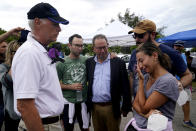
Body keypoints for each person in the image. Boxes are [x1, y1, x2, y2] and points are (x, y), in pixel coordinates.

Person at [12, 2, 69, 131]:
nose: (59, 29)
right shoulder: (30, 53)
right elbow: (24, 105)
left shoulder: (38, 51)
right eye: (55, 24)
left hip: (48, 123)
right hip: (41, 125)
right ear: (37, 22)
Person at [127, 42, 179, 130]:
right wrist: (146, 115)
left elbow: (143, 108)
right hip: (137, 126)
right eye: (138, 62)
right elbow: (135, 104)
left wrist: (140, 82)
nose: (140, 66)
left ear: (155, 56)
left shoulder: (167, 81)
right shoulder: (147, 77)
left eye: (141, 60)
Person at [86, 34, 132, 131]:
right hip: (95, 108)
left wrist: (126, 106)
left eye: (104, 47)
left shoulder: (118, 62)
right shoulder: (89, 62)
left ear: (108, 45)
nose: (102, 51)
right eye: (99, 48)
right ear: (93, 48)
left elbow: (125, 86)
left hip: (111, 107)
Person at [56, 34, 90, 131]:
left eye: (81, 45)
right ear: (69, 45)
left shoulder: (86, 60)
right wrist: (71, 87)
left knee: (85, 127)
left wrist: (111, 55)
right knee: (68, 128)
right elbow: (54, 85)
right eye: (77, 45)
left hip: (83, 101)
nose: (80, 48)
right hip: (68, 103)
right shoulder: (61, 63)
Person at [0, 27, 23, 129]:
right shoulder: (3, 67)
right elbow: (7, 81)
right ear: (11, 53)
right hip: (12, 114)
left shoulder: (26, 67)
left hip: (26, 112)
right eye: (17, 52)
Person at [173, 40, 196, 130]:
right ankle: (186, 121)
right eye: (176, 46)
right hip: (177, 82)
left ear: (182, 47)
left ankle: (186, 120)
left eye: (179, 46)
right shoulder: (173, 55)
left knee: (185, 101)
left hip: (184, 82)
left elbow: (185, 69)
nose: (178, 47)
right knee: (184, 101)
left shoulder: (182, 55)